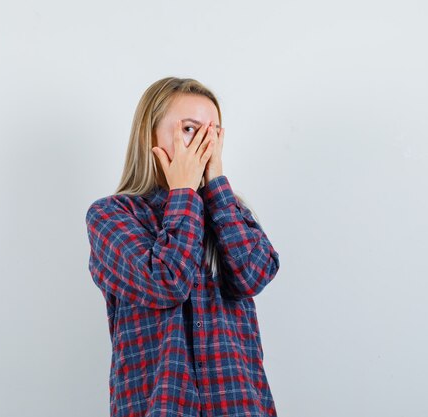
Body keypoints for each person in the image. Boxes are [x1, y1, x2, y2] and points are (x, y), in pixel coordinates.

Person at [85, 77, 281, 417]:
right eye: (190, 130)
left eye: (214, 133)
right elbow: (166, 282)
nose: (205, 143)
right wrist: (184, 194)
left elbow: (254, 275)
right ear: (150, 137)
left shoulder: (230, 212)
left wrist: (216, 187)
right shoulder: (111, 216)